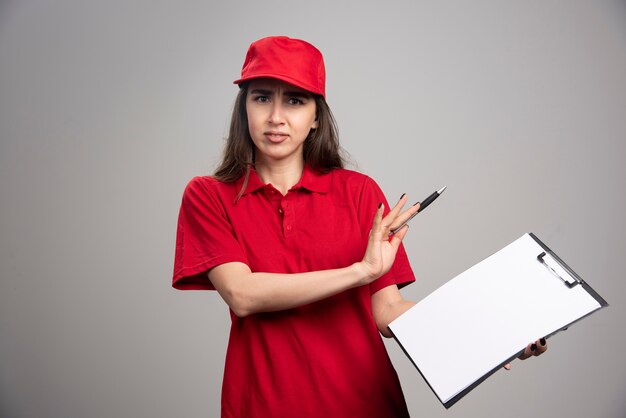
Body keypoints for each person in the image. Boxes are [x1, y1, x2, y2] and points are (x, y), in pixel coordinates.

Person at [172, 36, 546, 418]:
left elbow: (387, 312)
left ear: (317, 115)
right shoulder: (209, 195)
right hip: (264, 405)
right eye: (262, 97)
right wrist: (360, 271)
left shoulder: (360, 192)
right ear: (244, 108)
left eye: (295, 101)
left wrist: (486, 333)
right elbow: (243, 294)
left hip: (363, 404)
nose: (276, 117)